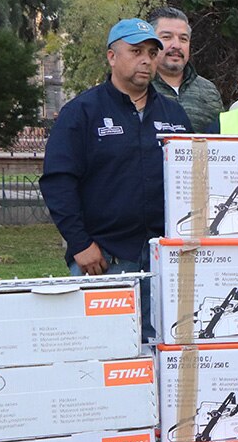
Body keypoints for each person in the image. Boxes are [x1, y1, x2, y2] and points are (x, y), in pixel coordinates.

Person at [40, 18, 190, 340]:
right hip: (104, 261)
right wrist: (80, 244)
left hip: (165, 264)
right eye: (135, 51)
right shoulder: (82, 112)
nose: (146, 60)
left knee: (161, 356)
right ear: (111, 56)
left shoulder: (174, 116)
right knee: (104, 359)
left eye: (151, 53)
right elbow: (57, 182)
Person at [147, 6, 222, 132]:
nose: (176, 45)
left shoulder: (208, 92)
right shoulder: (139, 87)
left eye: (183, 39)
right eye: (167, 37)